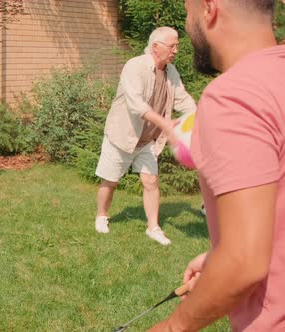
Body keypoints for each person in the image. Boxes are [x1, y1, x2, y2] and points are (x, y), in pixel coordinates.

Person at [151, 0, 285, 330]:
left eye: (187, 12)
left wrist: (171, 327)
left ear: (209, 9)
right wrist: (218, 260)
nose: (186, 24)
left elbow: (244, 263)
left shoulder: (233, 97)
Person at [94, 27, 197, 245]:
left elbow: (183, 99)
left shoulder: (171, 71)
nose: (176, 50)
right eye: (172, 46)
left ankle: (153, 227)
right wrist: (167, 126)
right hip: (122, 136)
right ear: (155, 47)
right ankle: (102, 214)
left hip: (148, 140)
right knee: (110, 181)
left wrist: (199, 117)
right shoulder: (135, 66)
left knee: (151, 181)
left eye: (177, 45)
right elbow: (137, 106)